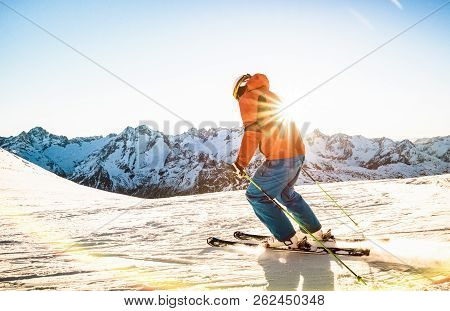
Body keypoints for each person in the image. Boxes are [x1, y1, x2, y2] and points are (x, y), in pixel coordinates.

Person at [231, 73, 328, 249]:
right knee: (286, 194)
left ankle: (286, 238)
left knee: (256, 195)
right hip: (296, 152)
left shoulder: (248, 96)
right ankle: (313, 232)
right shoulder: (270, 95)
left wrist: (240, 163)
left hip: (280, 157)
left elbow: (252, 132)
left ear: (240, 88)